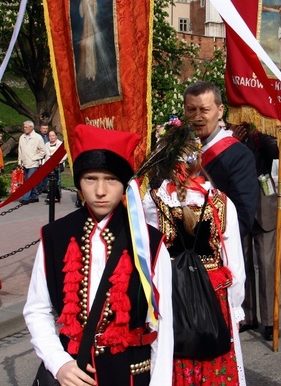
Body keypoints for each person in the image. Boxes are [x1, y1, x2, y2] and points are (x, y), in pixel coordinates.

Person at [24, 124, 173, 385]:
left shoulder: (149, 241)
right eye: (91, 179)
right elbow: (37, 309)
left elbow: (163, 323)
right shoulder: (55, 236)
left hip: (130, 373)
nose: (101, 191)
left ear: (125, 184)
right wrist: (59, 363)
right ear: (79, 181)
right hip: (75, 370)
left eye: (111, 179)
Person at [140, 120, 246, 385]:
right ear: (198, 158)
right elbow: (235, 266)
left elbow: (145, 260)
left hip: (172, 296)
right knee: (215, 359)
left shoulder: (151, 203)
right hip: (214, 297)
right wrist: (235, 308)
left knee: (175, 359)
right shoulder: (221, 201)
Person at [231, 120, 281, 341]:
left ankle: (268, 321)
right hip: (240, 211)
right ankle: (247, 316)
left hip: (264, 209)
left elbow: (278, 151)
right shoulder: (228, 138)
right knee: (243, 266)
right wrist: (234, 142)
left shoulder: (260, 135)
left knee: (266, 265)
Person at [183, 81, 258, 239]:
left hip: (216, 251)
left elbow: (242, 220)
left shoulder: (239, 156)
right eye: (191, 110)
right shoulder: (176, 151)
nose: (197, 117)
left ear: (220, 111)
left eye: (204, 110)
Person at [17, 120, 46, 204]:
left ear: (31, 127)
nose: (24, 128)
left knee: (29, 180)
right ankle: (35, 195)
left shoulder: (37, 137)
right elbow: (20, 150)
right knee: (28, 179)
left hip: (33, 163)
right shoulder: (22, 137)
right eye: (24, 127)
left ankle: (26, 198)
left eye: (26, 127)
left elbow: (43, 151)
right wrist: (19, 161)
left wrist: (35, 157)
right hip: (25, 162)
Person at [79, 0, 99, 82]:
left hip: (91, 22)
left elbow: (95, 6)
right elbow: (81, 12)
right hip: (85, 23)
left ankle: (93, 72)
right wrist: (84, 5)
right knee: (86, 46)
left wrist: (92, 5)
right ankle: (88, 73)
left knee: (91, 46)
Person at [43, 130, 63, 204]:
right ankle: (57, 196)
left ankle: (50, 197)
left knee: (54, 180)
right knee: (53, 181)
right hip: (49, 165)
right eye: (50, 136)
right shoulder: (46, 145)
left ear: (56, 136)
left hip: (58, 165)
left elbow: (65, 154)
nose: (51, 137)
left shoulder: (60, 144)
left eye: (53, 135)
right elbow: (44, 154)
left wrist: (59, 160)